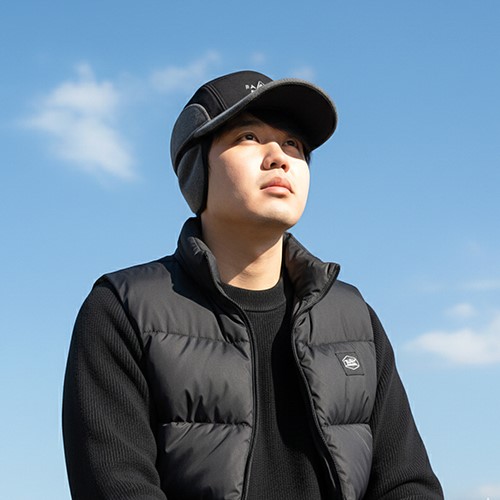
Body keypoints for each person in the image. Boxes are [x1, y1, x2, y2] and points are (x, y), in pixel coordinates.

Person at [62, 70, 443, 500]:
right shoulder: (123, 309)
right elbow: (118, 486)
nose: (279, 157)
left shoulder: (353, 319)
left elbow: (407, 483)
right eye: (248, 137)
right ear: (195, 168)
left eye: (293, 144)